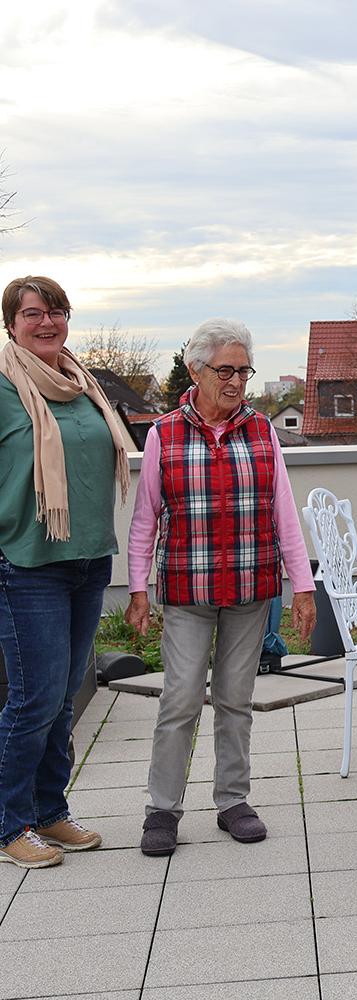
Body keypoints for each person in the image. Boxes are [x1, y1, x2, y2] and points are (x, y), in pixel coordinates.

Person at [126, 319, 316, 856]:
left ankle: (233, 800)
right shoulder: (165, 432)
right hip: (187, 589)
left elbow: (283, 514)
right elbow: (145, 520)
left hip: (252, 588)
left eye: (243, 370)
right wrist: (138, 589)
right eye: (225, 370)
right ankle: (161, 809)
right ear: (196, 369)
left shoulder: (262, 431)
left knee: (236, 699)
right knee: (181, 697)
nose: (235, 381)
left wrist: (302, 587)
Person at [0, 276, 130, 869]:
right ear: (11, 323)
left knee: (61, 698)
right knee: (34, 698)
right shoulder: (3, 385)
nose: (47, 322)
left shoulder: (83, 386)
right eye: (33, 313)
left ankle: (51, 810)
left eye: (56, 311)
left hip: (87, 558)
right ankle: (10, 825)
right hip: (26, 562)